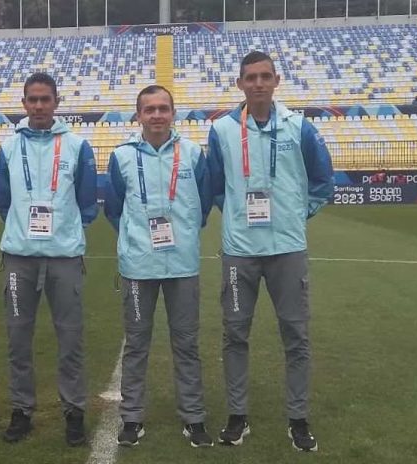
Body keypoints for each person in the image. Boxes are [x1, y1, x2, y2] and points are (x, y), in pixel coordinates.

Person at [207, 51, 333, 452]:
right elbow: (212, 184)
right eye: (251, 77)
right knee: (234, 334)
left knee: (296, 336)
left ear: (276, 80)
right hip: (239, 251)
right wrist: (236, 218)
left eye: (265, 76)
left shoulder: (299, 127)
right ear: (240, 83)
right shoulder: (222, 129)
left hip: (287, 248)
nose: (258, 83)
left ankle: (298, 419)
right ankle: (237, 416)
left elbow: (322, 181)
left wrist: (296, 215)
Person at [104, 85, 214, 448]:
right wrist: (137, 240)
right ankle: (132, 418)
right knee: (136, 346)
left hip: (182, 265)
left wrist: (179, 234)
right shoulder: (121, 156)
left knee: (186, 344)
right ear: (138, 115)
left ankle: (194, 418)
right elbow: (114, 209)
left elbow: (204, 203)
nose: (156, 115)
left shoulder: (194, 154)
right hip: (138, 266)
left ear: (173, 113)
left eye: (162, 108)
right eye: (148, 109)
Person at [0, 72, 98, 447]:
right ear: (24, 104)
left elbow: (88, 204)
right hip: (20, 258)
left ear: (56, 102)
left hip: (64, 258)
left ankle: (74, 411)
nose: (38, 106)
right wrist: (24, 231)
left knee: (70, 339)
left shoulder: (77, 145)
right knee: (18, 339)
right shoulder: (7, 147)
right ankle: (22, 410)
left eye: (45, 99)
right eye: (32, 100)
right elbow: (3, 200)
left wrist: (63, 232)